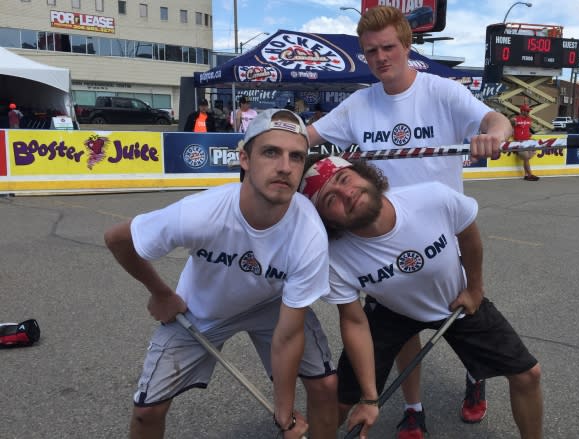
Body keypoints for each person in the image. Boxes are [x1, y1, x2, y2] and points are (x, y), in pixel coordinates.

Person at [104, 109, 378, 439]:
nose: (284, 166)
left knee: (325, 386)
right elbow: (117, 238)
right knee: (147, 411)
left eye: (296, 157)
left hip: (271, 305)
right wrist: (160, 292)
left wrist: (285, 411)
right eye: (271, 152)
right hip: (203, 308)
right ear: (245, 158)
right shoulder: (201, 213)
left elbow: (288, 336)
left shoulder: (309, 233)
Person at [306, 6, 512, 437]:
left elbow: (496, 119)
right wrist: (268, 145)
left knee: (464, 325)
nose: (381, 58)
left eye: (388, 48)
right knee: (402, 332)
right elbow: (304, 139)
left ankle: (475, 381)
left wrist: (494, 135)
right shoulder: (358, 105)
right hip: (383, 239)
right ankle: (414, 408)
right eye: (371, 52)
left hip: (444, 234)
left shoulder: (441, 92)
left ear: (406, 45)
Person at [299, 156, 544, 439]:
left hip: (452, 299)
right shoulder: (332, 257)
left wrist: (475, 288)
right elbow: (353, 321)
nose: (347, 193)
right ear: (327, 220)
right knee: (339, 402)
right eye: (330, 200)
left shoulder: (431, 197)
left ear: (364, 174)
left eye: (345, 179)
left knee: (529, 374)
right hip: (390, 310)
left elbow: (467, 233)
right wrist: (368, 397)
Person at [512, 105, 539, 181]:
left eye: (529, 111)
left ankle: (527, 175)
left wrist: (529, 134)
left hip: (527, 141)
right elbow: (510, 126)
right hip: (519, 142)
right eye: (527, 111)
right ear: (522, 111)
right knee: (526, 158)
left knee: (529, 155)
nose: (528, 112)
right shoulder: (516, 119)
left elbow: (527, 129)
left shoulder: (529, 119)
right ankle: (530, 175)